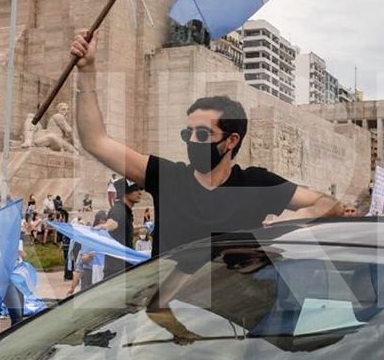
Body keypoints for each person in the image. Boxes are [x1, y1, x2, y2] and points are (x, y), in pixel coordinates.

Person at [71, 32, 341, 257]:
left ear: (231, 140)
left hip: (234, 303)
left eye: (202, 134)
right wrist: (86, 70)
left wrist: (297, 217)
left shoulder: (256, 183)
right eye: (187, 133)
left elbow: (330, 204)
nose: (192, 141)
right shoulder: (168, 177)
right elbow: (95, 140)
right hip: (171, 303)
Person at [95, 178, 143, 276]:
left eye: (140, 189)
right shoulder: (119, 209)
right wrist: (105, 226)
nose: (140, 193)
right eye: (135, 190)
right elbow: (113, 222)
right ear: (125, 192)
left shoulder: (126, 210)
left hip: (124, 269)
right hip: (116, 272)